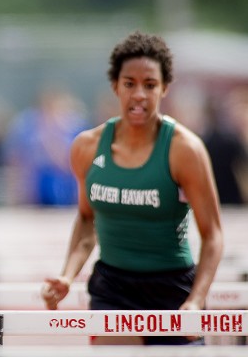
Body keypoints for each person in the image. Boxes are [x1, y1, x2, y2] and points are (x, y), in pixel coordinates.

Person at [42, 31, 223, 345]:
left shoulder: (185, 150)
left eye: (150, 85)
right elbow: (87, 220)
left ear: (164, 88)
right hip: (113, 287)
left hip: (172, 289)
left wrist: (196, 300)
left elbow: (213, 235)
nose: (139, 94)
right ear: (116, 86)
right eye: (130, 84)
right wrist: (67, 276)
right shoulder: (87, 147)